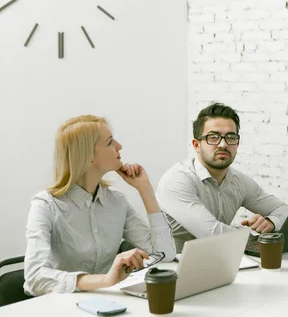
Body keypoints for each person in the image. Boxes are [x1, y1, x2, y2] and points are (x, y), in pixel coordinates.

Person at [24, 115, 175, 296]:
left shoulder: (116, 202)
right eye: (110, 142)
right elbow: (34, 278)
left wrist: (144, 188)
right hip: (61, 305)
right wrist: (105, 280)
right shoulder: (46, 205)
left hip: (108, 303)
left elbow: (165, 254)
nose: (119, 146)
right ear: (88, 156)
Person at [156, 103, 288, 251]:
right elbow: (213, 234)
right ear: (196, 145)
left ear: (237, 144)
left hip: (221, 260)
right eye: (213, 137)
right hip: (171, 267)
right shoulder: (177, 180)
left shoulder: (239, 181)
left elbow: (284, 210)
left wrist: (271, 222)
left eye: (230, 137)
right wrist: (257, 233)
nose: (223, 144)